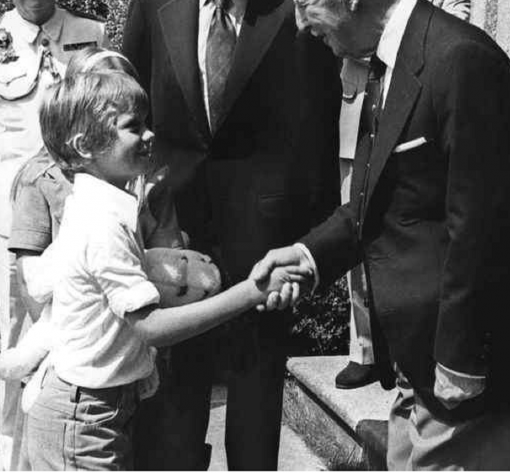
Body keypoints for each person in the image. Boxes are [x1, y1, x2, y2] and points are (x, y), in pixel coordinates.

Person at [253, 0, 510, 470]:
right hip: (420, 361)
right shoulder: (390, 61)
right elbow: (381, 200)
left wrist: (460, 362)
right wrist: (309, 255)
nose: (304, 27)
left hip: (472, 363)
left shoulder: (460, 62)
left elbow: (483, 226)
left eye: (307, 4)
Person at [122, 0, 339, 470]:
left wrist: (309, 244)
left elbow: (318, 135)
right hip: (174, 236)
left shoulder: (292, 13)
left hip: (263, 242)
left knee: (254, 395)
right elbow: (126, 115)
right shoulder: (154, 4)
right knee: (176, 395)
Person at [25, 69, 305, 470]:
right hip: (81, 419)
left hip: (96, 408)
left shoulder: (106, 208)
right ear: (85, 146)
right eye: (132, 127)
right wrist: (251, 293)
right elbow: (150, 326)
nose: (149, 135)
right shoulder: (101, 223)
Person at [336, 0, 472, 390]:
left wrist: (384, 22)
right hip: (359, 119)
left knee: (405, 232)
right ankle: (364, 348)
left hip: (416, 125)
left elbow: (441, 38)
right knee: (355, 226)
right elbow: (347, 38)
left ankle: (405, 344)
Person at [0, 0, 109, 468]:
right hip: (6, 230)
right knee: (7, 354)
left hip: (77, 227)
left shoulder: (94, 36)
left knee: (70, 351)